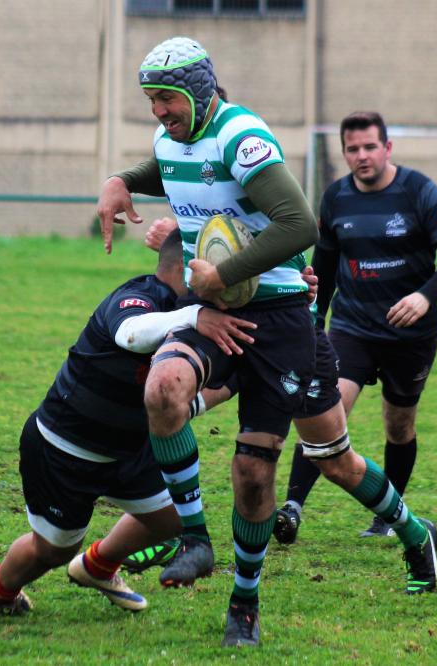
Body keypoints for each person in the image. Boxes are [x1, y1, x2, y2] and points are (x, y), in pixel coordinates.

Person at [96, 36, 319, 647]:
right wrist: (121, 180)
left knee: (252, 475)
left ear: (197, 88)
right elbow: (167, 165)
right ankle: (195, 539)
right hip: (212, 313)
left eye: (165, 98)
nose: (158, 112)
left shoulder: (241, 136)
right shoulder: (175, 137)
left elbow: (300, 223)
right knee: (162, 389)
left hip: (278, 323)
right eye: (151, 101)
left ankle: (245, 600)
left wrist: (225, 272)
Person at [143, 217, 437, 595]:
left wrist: (297, 271)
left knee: (334, 461)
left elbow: (295, 234)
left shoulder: (260, 175)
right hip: (232, 327)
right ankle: (185, 537)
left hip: (292, 336)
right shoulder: (201, 175)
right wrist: (181, 232)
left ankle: (415, 534)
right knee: (171, 399)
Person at [0, 230, 258, 616]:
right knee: (53, 550)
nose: (224, 285)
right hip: (65, 448)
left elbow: (197, 393)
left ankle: (97, 566)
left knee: (176, 516)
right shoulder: (139, 297)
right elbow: (131, 334)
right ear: (186, 268)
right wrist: (195, 315)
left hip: (130, 450)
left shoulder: (202, 315)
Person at [273, 110, 437, 542]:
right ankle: (291, 508)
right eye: (352, 149)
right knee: (325, 410)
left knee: (399, 425)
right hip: (353, 327)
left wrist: (424, 297)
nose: (361, 156)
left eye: (369, 147)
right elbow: (324, 266)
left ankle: (389, 517)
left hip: (411, 335)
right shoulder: (336, 198)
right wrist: (315, 323)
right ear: (344, 152)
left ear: (387, 148)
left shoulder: (418, 191)